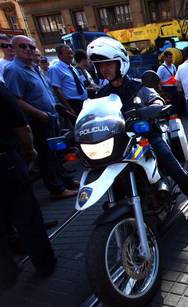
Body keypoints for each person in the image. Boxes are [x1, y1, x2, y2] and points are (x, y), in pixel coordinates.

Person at [87, 36, 188, 217]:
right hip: (119, 144)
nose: (104, 69)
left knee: (174, 167)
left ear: (119, 63)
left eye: (109, 64)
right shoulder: (101, 93)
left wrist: (155, 105)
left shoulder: (138, 85)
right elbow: (93, 115)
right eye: (100, 65)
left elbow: (154, 97)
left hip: (146, 137)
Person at [4, 35, 78, 199]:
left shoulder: (33, 67)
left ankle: (65, 180)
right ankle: (56, 188)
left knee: (55, 153)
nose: (29, 50)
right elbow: (16, 100)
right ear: (14, 49)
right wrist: (39, 114)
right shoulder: (14, 70)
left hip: (50, 117)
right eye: (23, 46)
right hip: (37, 121)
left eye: (31, 47)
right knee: (46, 156)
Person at [0, 82, 57, 289]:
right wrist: (30, 150)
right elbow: (21, 127)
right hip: (6, 161)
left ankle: (6, 272)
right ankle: (45, 264)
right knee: (27, 215)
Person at [48, 44, 88, 114]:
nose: (71, 56)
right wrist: (69, 109)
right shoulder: (55, 69)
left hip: (83, 102)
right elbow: (57, 90)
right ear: (59, 55)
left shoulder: (72, 68)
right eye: (68, 53)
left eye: (71, 53)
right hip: (73, 104)